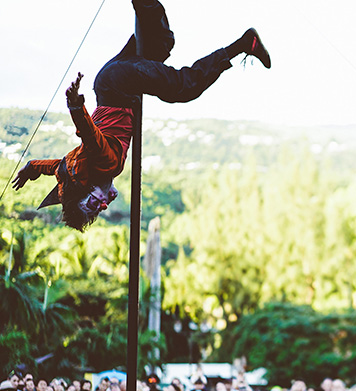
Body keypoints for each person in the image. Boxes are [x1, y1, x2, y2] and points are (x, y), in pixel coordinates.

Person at [12, 0, 271, 231]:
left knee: (184, 86)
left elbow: (91, 137)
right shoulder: (74, 170)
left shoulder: (107, 164)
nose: (102, 205)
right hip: (108, 81)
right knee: (161, 43)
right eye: (97, 211)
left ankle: (244, 44)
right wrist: (30, 168)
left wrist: (76, 108)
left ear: (87, 189)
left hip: (121, 86)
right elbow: (51, 166)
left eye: (93, 204)